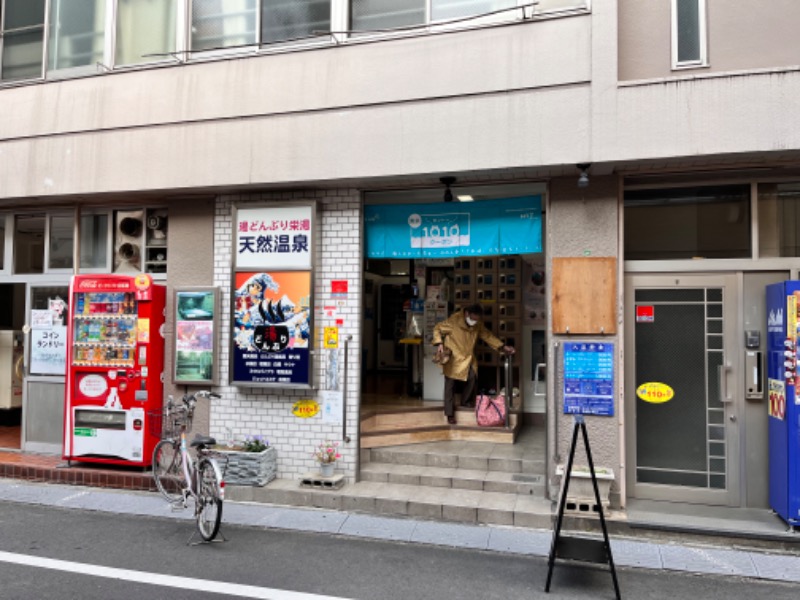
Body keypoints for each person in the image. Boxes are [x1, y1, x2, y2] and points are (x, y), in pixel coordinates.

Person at [432, 303, 515, 424]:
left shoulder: (477, 325)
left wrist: (502, 347)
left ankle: (465, 403)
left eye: (477, 319)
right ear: (466, 314)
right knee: (450, 386)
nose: (475, 322)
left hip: (468, 358)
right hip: (454, 358)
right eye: (473, 319)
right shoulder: (454, 321)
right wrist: (439, 343)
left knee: (472, 378)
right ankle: (449, 414)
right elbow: (437, 328)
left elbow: (487, 336)